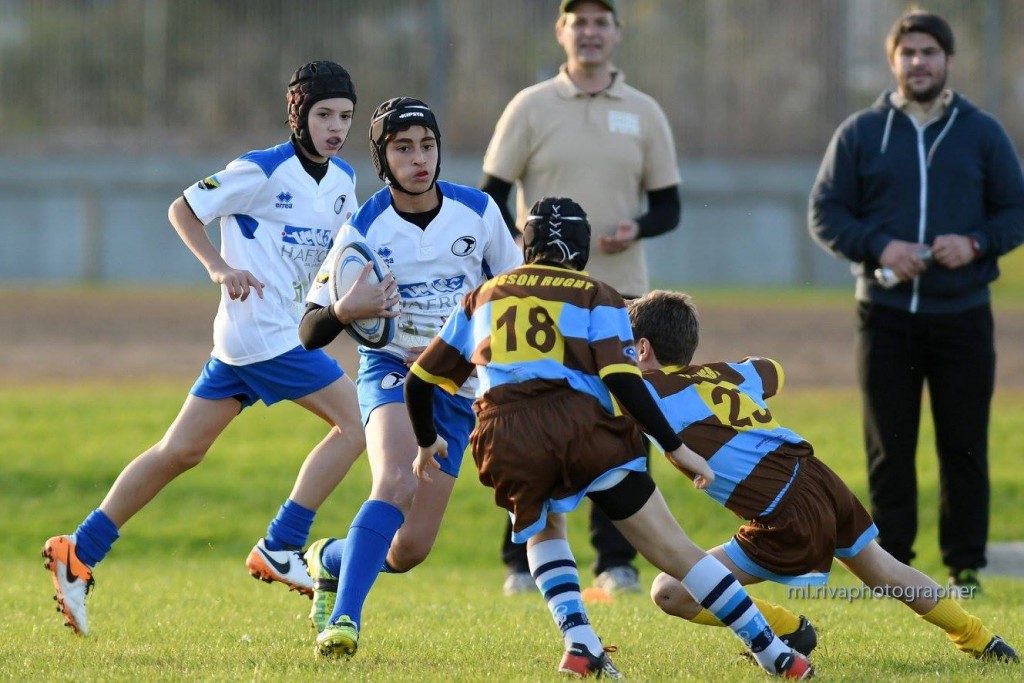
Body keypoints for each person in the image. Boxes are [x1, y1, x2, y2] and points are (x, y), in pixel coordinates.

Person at [41, 61, 398, 636]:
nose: (335, 126)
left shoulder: (341, 183)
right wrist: (218, 266)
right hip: (263, 336)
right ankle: (282, 544)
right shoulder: (258, 170)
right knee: (357, 422)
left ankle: (79, 551)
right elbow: (182, 208)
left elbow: (337, 260)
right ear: (298, 115)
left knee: (179, 451)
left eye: (345, 117)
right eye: (324, 114)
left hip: (254, 340)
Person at [403, 197, 814, 679]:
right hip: (582, 428)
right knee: (673, 548)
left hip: (505, 434)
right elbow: (622, 379)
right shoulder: (597, 294)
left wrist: (426, 440)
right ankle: (774, 653)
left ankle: (579, 641)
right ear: (581, 249)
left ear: (525, 245)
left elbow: (419, 381)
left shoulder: (483, 296)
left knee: (542, 528)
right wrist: (675, 447)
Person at [626, 289, 1019, 664]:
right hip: (819, 478)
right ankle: (982, 639)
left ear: (642, 349)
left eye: (624, 346)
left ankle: (787, 631)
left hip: (785, 510)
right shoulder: (725, 375)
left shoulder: (646, 391)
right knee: (884, 571)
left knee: (672, 592)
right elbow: (771, 371)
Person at [808, 9, 1024, 596]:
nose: (918, 62)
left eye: (929, 52)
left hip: (963, 316)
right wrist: (881, 245)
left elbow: (1014, 209)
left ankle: (965, 566)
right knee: (889, 445)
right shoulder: (860, 132)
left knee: (965, 445)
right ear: (893, 60)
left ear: (948, 60)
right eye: (908, 53)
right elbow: (825, 212)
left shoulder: (981, 132)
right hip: (884, 315)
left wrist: (975, 242)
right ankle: (893, 564)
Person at [298, 96, 522, 657]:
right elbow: (310, 330)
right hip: (393, 370)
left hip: (459, 385)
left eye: (427, 145)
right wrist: (348, 309)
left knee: (410, 550)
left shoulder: (479, 212)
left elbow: (514, 298)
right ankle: (344, 622)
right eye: (403, 149)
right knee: (394, 483)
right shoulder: (364, 226)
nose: (419, 158)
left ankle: (328, 559)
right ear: (383, 159)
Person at [480, 0, 682, 596]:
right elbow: (491, 193)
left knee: (620, 417)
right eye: (579, 22)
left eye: (601, 22)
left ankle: (616, 562)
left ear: (616, 33)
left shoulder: (644, 112)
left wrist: (636, 229)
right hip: (538, 299)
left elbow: (669, 205)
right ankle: (522, 558)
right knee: (526, 410)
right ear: (561, 31)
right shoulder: (530, 106)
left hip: (620, 291)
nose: (590, 32)